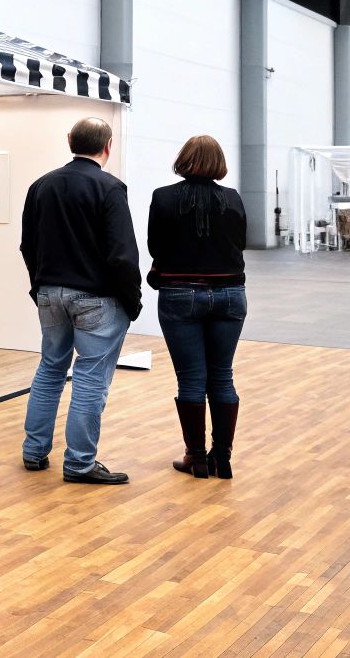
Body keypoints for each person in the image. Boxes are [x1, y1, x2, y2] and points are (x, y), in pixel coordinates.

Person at [18, 116, 142, 486]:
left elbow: (28, 245)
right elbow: (122, 254)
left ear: (69, 140)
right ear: (108, 146)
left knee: (50, 369)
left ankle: (34, 450)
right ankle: (80, 463)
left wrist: (38, 286)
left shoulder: (41, 186)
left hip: (49, 293)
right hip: (96, 299)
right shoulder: (110, 188)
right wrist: (132, 301)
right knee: (90, 378)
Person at [146, 135, 246, 480]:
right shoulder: (232, 198)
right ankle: (223, 458)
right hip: (230, 294)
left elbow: (154, 245)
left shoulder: (163, 197)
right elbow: (241, 243)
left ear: (183, 159)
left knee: (191, 378)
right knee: (222, 376)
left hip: (179, 293)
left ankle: (197, 457)